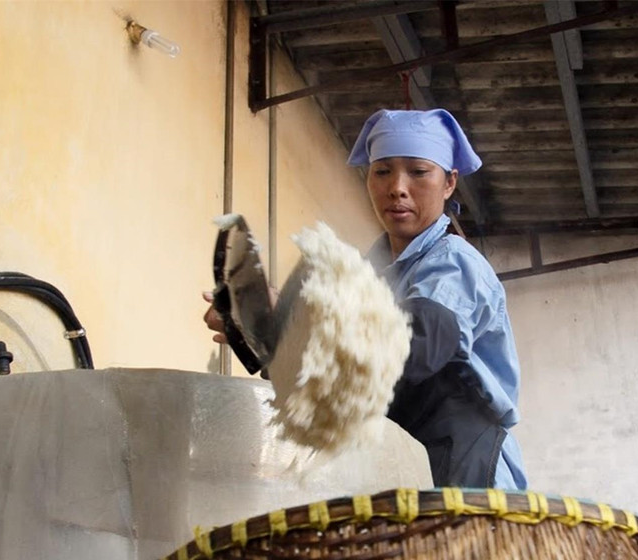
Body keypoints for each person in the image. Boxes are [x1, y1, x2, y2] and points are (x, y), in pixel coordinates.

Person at [205, 108, 527, 490]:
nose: (397, 187)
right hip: (402, 465)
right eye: (383, 171)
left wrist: (304, 321)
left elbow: (417, 346)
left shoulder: (454, 263)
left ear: (449, 183)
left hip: (467, 467)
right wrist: (267, 332)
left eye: (419, 172)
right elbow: (330, 383)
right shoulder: (369, 275)